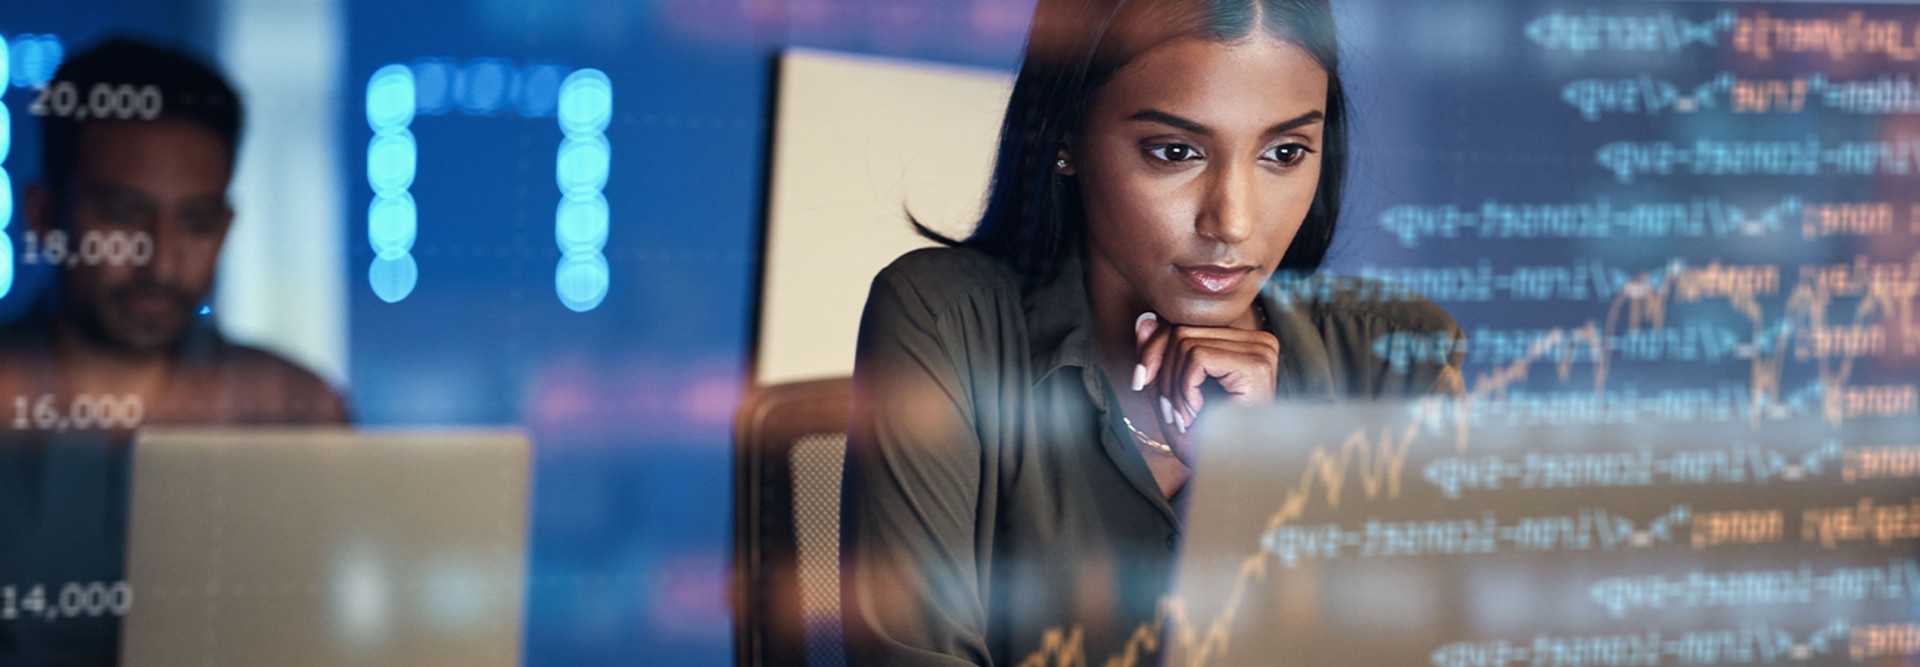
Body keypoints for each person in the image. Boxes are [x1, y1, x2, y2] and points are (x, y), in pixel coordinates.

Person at [839, 0, 1464, 663]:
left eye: (1284, 152)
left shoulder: (1399, 364)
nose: (1233, 220)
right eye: (1175, 151)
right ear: (1063, 137)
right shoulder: (944, 322)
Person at [0, 38, 345, 665]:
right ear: (45, 215)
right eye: (125, 215)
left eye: (196, 223)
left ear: (227, 227)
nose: (161, 261)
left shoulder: (296, 412)